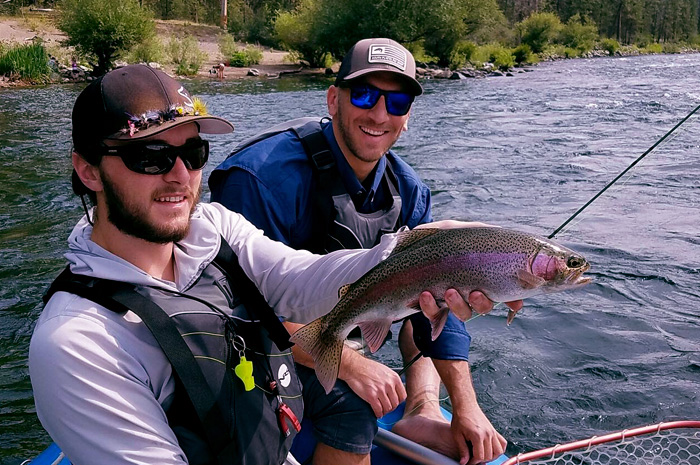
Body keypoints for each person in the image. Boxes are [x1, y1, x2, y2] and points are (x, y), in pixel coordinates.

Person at [28, 64, 498, 465]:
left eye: (193, 154)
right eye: (149, 156)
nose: (179, 176)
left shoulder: (212, 228)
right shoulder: (78, 342)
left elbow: (301, 279)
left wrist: (417, 253)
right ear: (88, 170)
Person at [209, 38, 522, 465]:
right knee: (352, 408)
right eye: (364, 95)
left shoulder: (409, 192)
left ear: (407, 117)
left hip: (342, 334)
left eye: (396, 102)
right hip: (254, 349)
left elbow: (436, 309)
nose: (379, 114)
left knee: (428, 301)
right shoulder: (260, 178)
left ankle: (422, 409)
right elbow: (226, 311)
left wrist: (465, 406)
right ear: (333, 99)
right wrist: (350, 367)